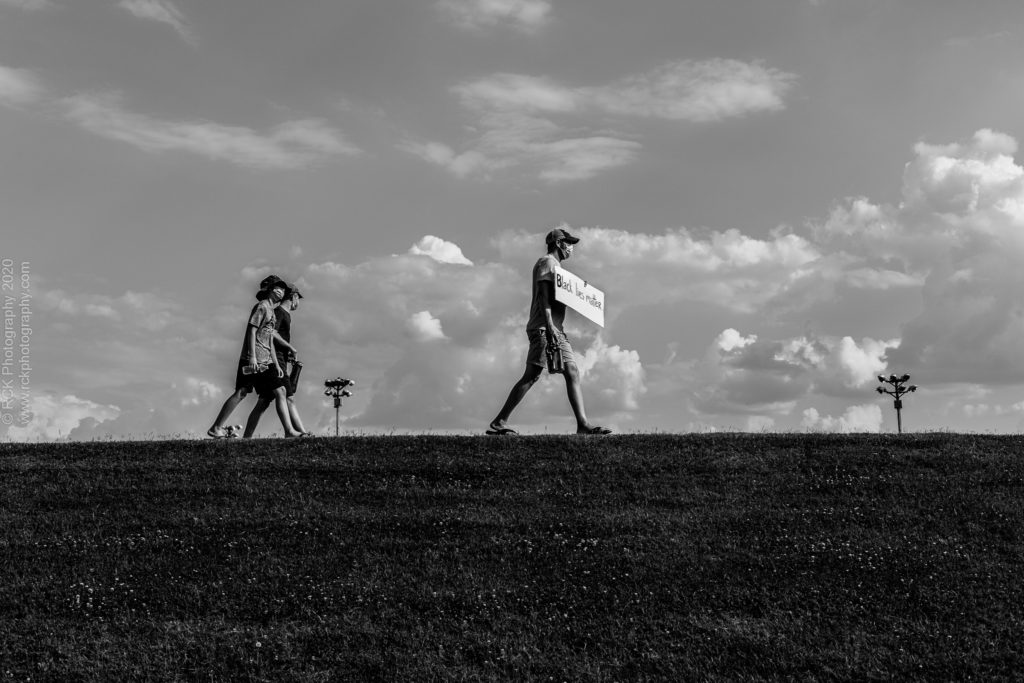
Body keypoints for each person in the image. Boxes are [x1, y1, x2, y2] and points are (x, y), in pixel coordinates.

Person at [488, 226, 612, 436]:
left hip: (556, 329)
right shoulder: (547, 263)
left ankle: (583, 424)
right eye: (568, 243)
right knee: (532, 374)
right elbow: (544, 297)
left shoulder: (557, 268)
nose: (571, 248)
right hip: (544, 328)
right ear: (558, 243)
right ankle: (500, 421)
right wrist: (550, 325)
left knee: (572, 371)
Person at [208, 277, 305, 439]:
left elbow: (269, 339)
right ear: (270, 290)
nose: (281, 291)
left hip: (265, 360)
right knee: (247, 392)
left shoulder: (272, 311)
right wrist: (252, 357)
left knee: (260, 393)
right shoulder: (261, 307)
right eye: (278, 288)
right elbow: (251, 331)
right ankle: (289, 431)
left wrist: (275, 362)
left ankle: (219, 428)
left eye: (282, 289)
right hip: (254, 359)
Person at [243, 283, 311, 437]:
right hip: (275, 360)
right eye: (298, 298)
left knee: (264, 401)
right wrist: (290, 347)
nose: (298, 303)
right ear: (294, 296)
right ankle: (300, 433)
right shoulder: (279, 312)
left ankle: (246, 437)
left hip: (278, 359)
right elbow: (272, 333)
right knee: (288, 396)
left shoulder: (284, 314)